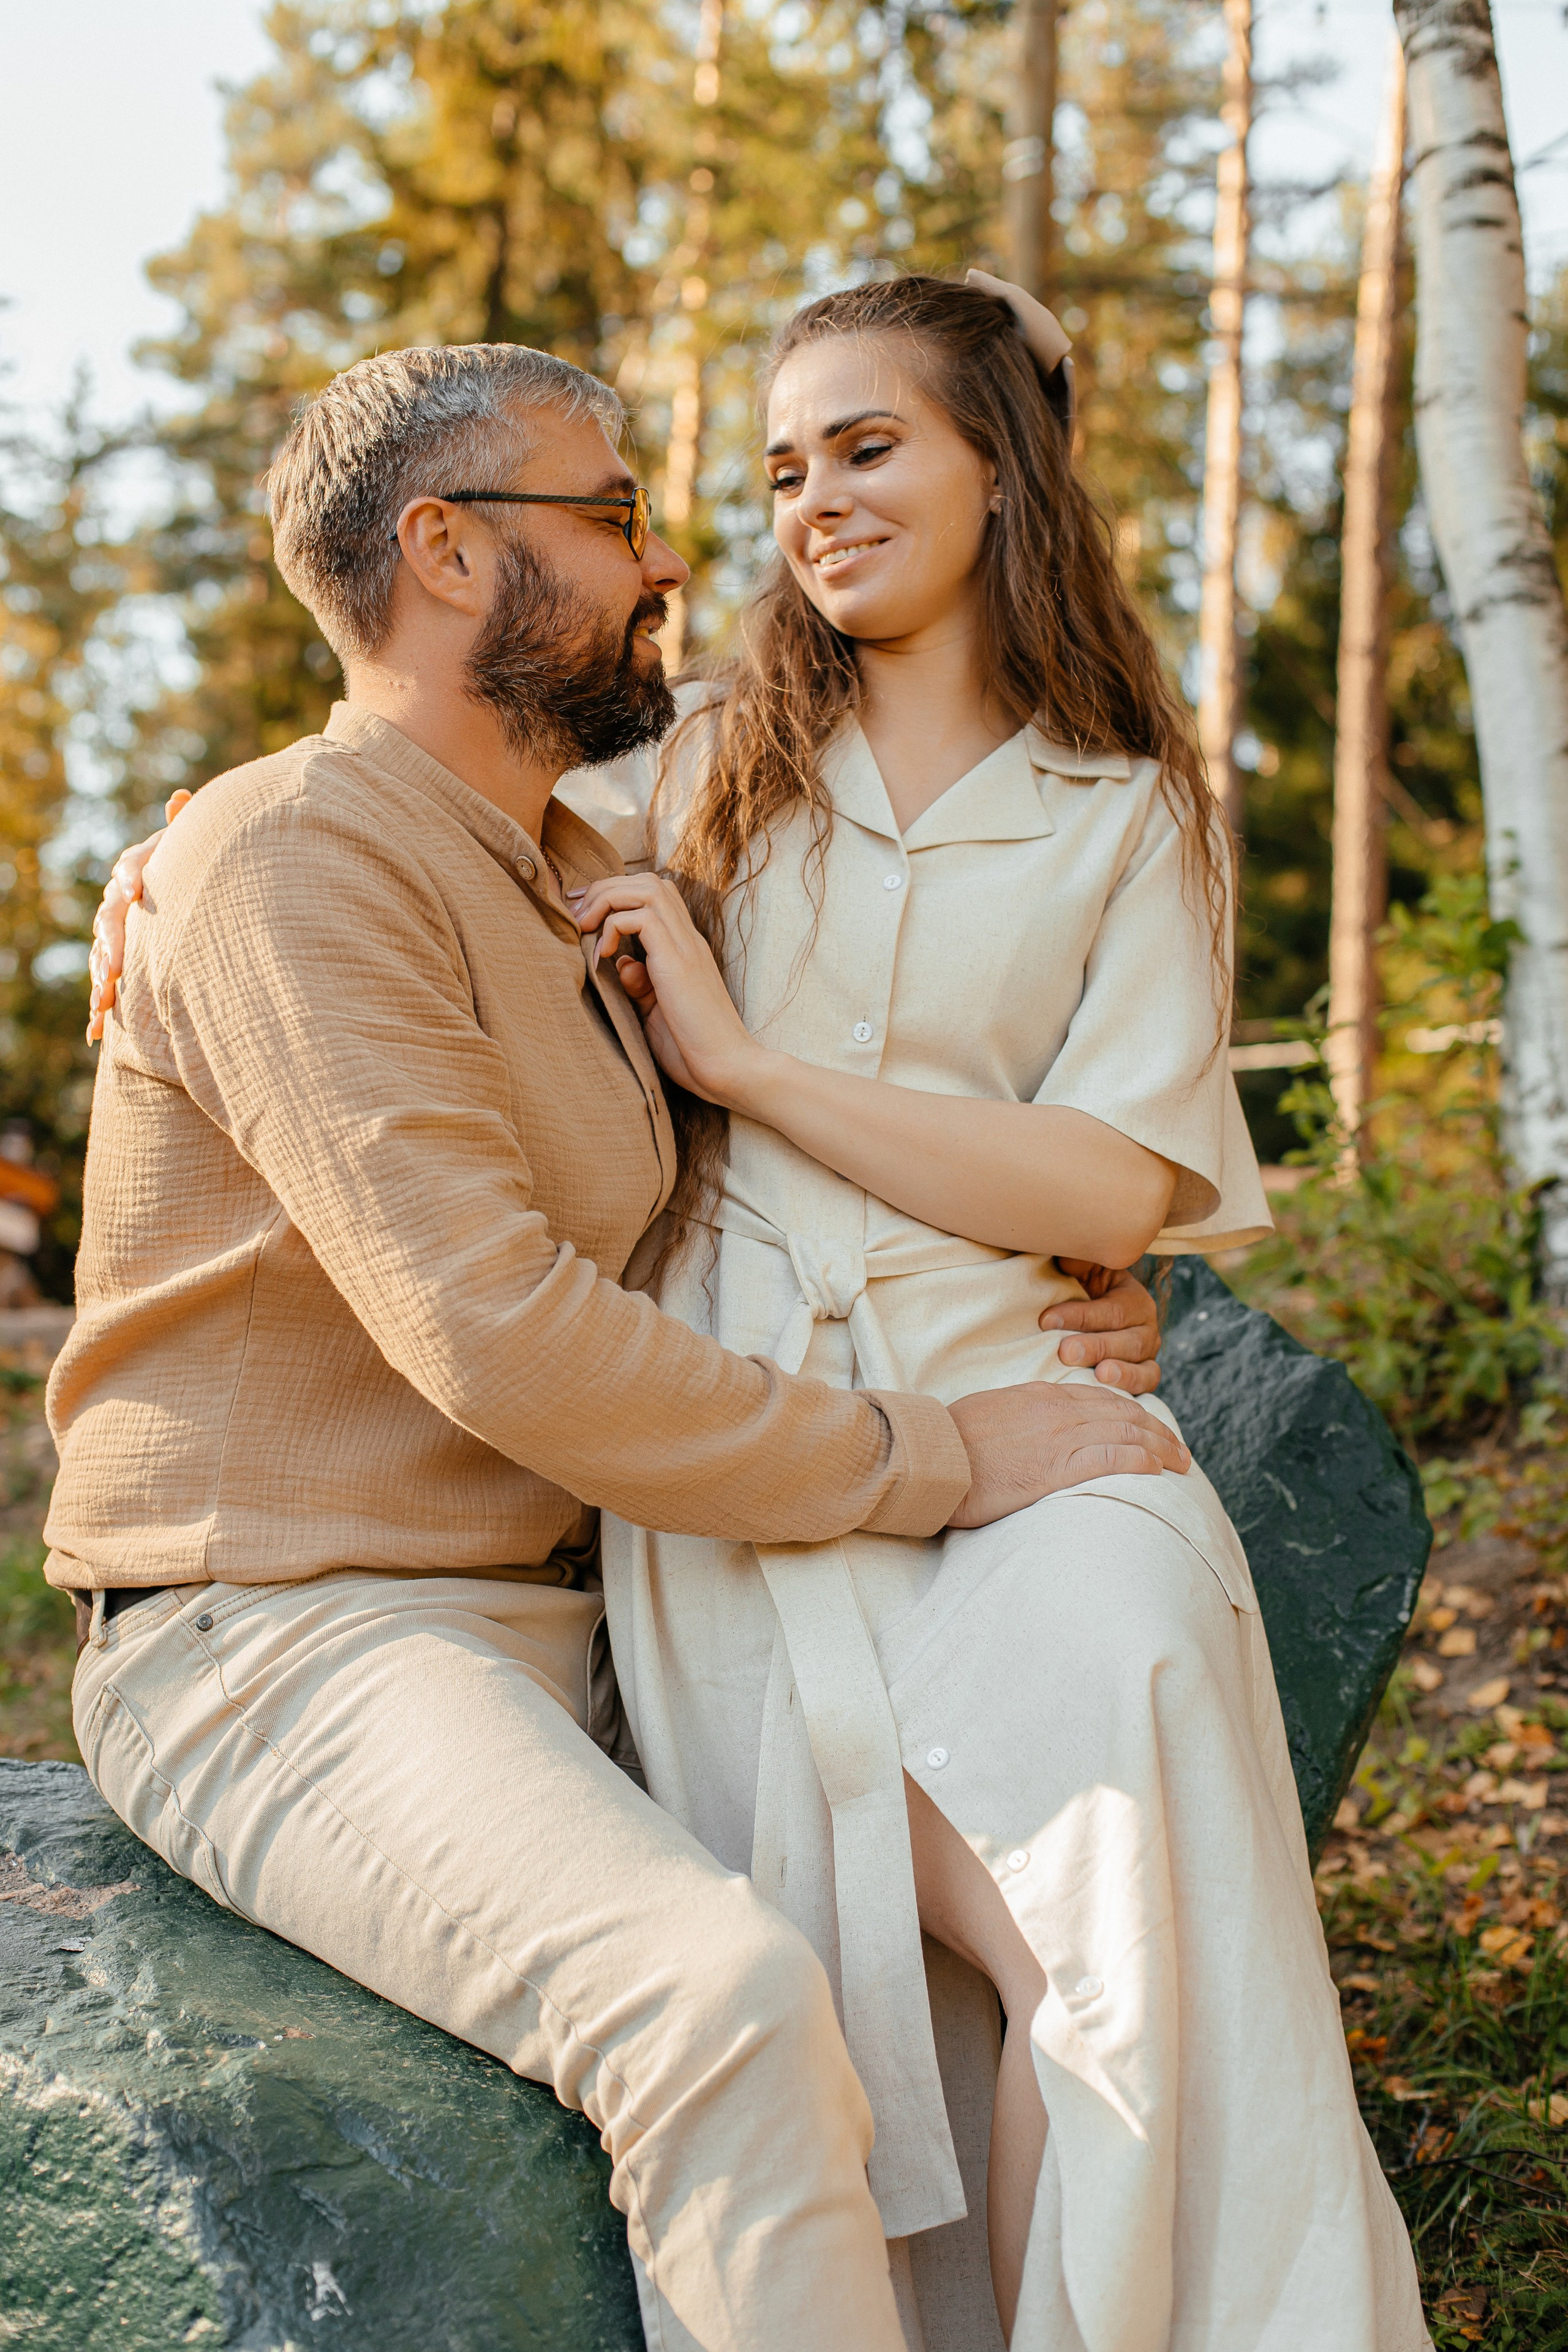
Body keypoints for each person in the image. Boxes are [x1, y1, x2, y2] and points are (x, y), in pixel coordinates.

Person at [62, 337, 1176, 2352]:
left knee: (1032, 1938)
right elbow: (504, 1336)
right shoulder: (292, 854)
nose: (671, 564)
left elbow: (843, 1084)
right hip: (287, 1634)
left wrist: (1067, 1256)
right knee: (726, 2005)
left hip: (597, 1619)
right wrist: (945, 1447)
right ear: (450, 554)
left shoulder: (580, 867)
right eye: (618, 517)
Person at [533, 275, 1430, 2350]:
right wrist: (188, 853)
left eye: (869, 445)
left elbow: (1112, 1183)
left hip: (1050, 1421)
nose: (812, 503)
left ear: (999, 473)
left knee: (1119, 1861)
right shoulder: (693, 773)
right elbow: (405, 827)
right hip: (758, 1448)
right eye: (781, 470)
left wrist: (749, 1073)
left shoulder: (1129, 810)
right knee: (1049, 1941)